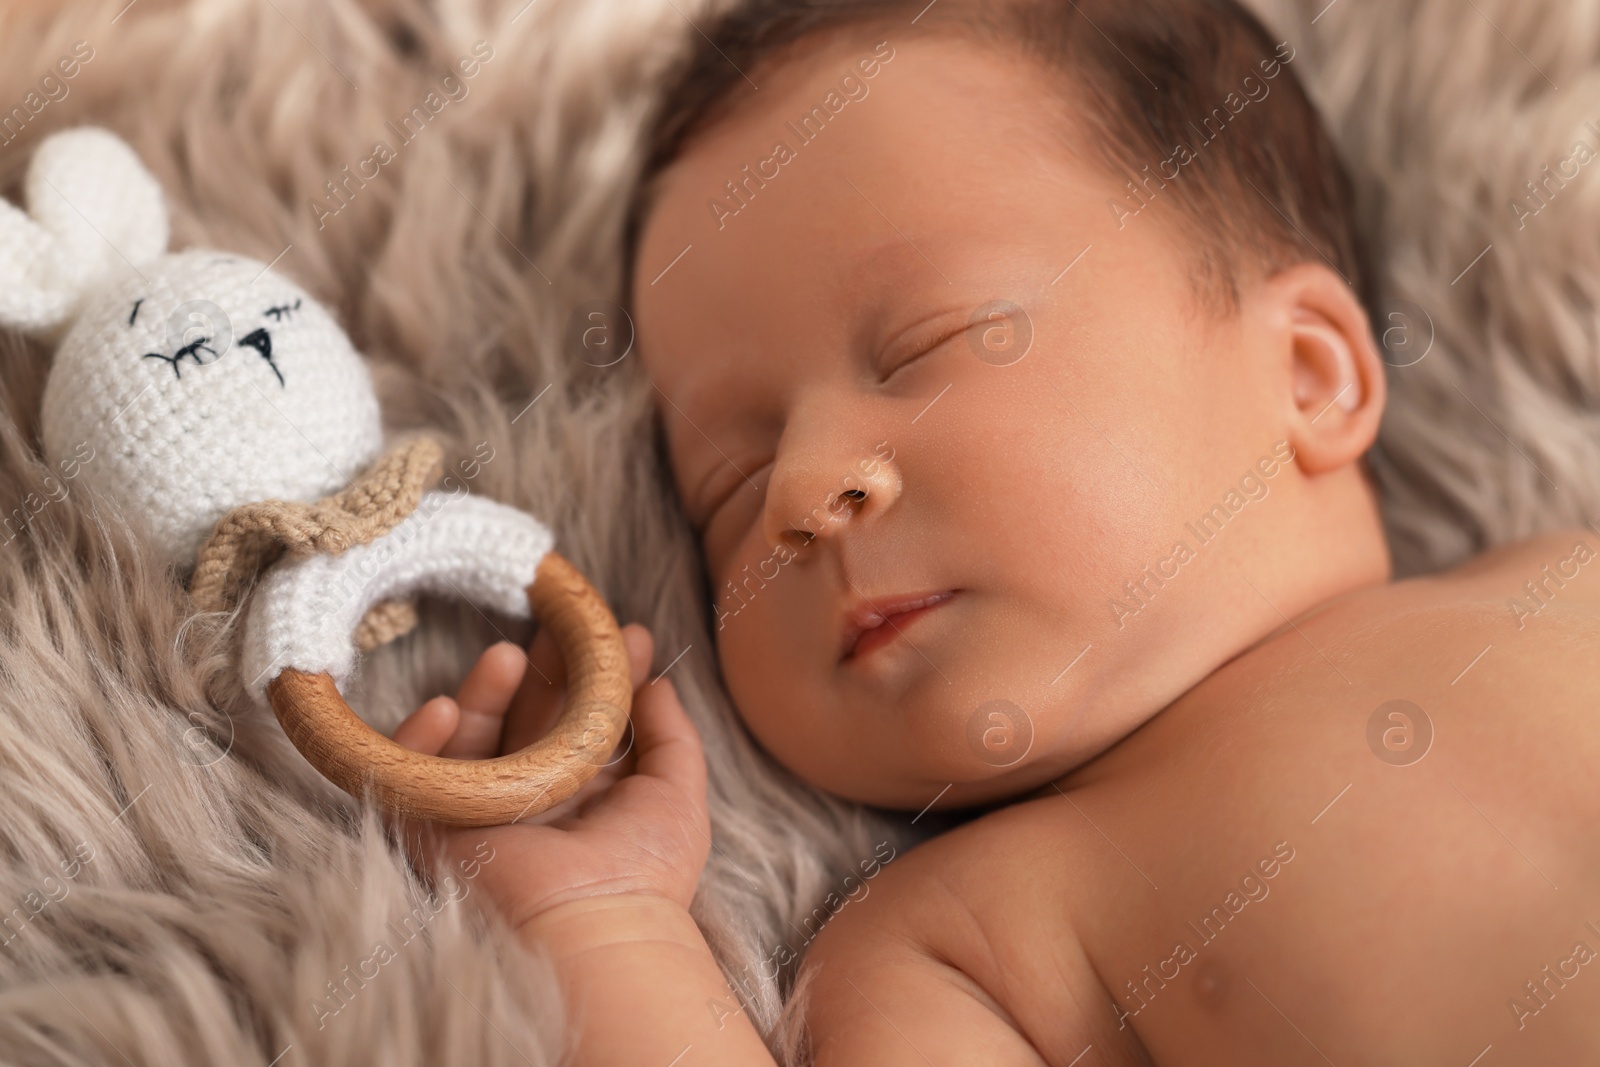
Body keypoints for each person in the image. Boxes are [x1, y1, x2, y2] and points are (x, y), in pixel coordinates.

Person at [392, 0, 1600, 1061]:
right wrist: (596, 920)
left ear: (1308, 373)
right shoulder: (963, 936)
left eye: (928, 344)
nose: (803, 492)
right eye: (728, 480)